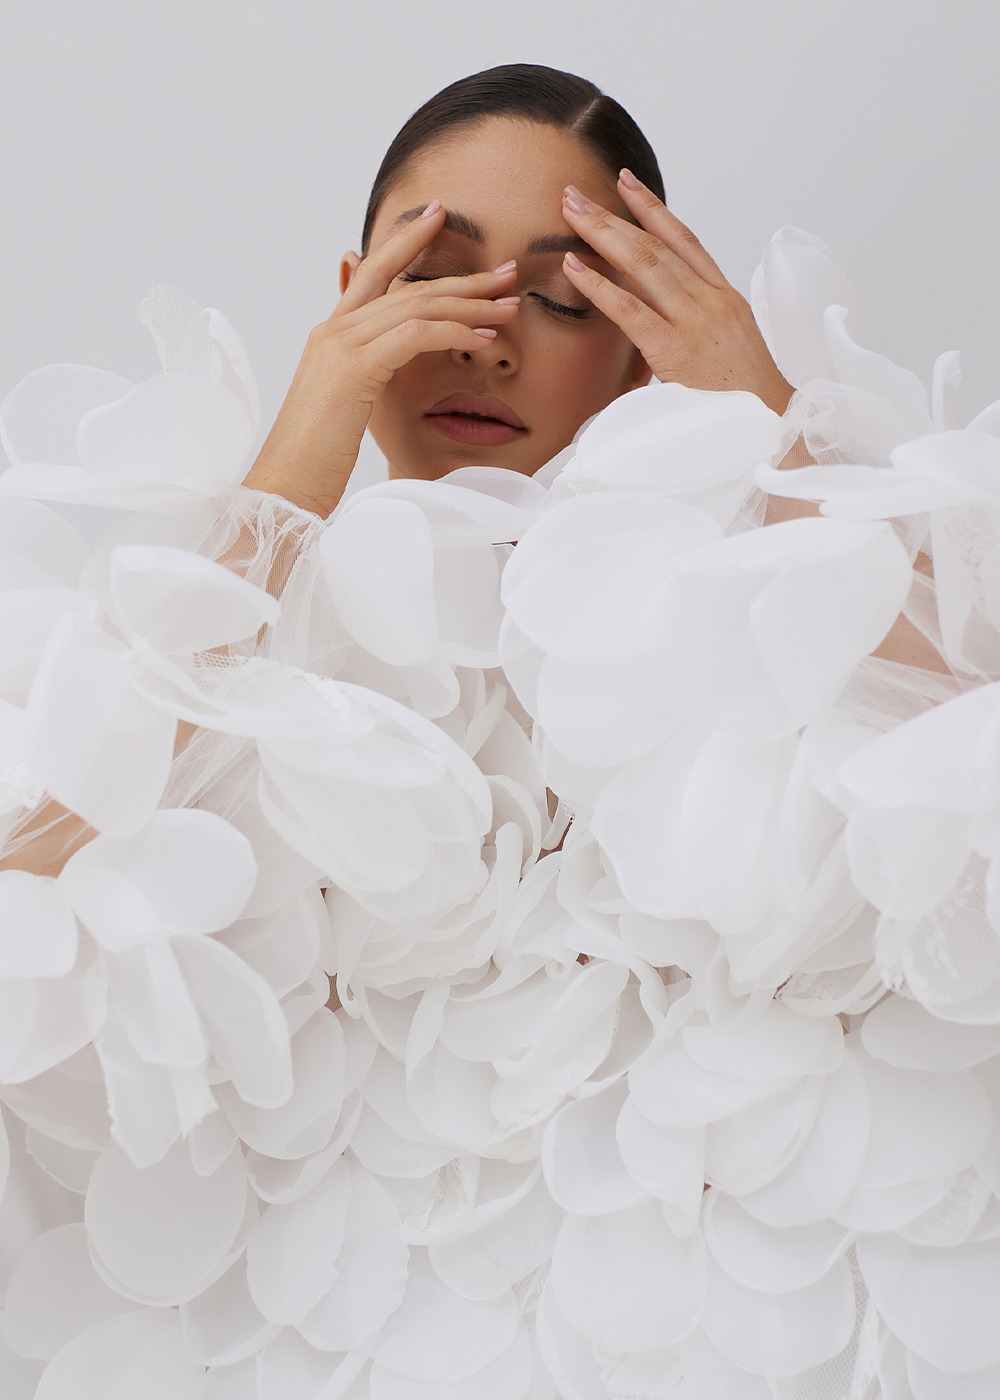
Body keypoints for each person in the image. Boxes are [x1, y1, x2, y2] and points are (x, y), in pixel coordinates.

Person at [1, 61, 998, 1400]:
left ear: (648, 335)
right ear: (350, 293)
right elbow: (32, 922)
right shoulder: (231, 655)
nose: (487, 339)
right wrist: (294, 470)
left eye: (562, 294)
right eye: (435, 279)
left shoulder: (771, 628)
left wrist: (774, 432)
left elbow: (963, 809)